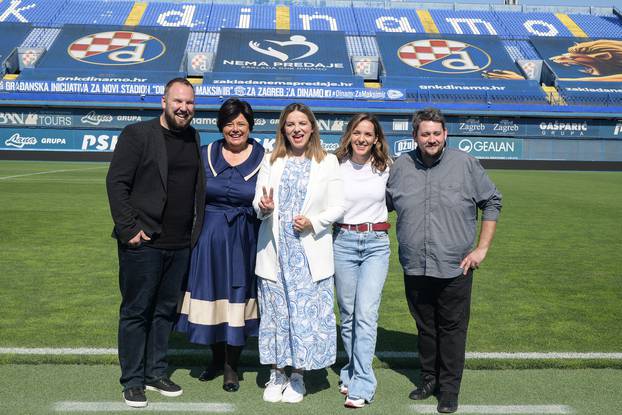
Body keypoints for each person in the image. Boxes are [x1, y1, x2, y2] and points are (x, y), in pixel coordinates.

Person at [386, 108, 502, 414]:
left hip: (455, 266)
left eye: (437, 133)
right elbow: (380, 206)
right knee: (425, 327)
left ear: (446, 134)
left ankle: (449, 390)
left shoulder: (465, 164)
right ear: (415, 136)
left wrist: (482, 249)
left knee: (452, 330)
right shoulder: (400, 167)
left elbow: (491, 201)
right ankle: (429, 379)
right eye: (425, 133)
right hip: (415, 264)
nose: (431, 138)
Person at [106, 78, 205, 408]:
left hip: (179, 244)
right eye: (178, 101)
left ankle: (155, 371)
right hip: (143, 242)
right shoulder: (138, 134)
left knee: (164, 312)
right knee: (136, 312)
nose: (184, 108)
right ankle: (133, 380)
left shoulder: (193, 137)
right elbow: (117, 182)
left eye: (189, 103)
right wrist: (129, 228)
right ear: (164, 101)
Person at [253, 103, 345, 404]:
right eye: (291, 124)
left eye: (302, 123)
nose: (297, 129)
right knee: (277, 315)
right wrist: (264, 209)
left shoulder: (327, 161)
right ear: (283, 129)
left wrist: (314, 222)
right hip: (275, 254)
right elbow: (258, 202)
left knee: (303, 317)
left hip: (309, 255)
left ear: (312, 127)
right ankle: (277, 373)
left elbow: (337, 206)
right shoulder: (272, 159)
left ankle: (298, 376)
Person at [176, 98, 264, 392]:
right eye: (229, 123)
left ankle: (231, 366)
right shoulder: (205, 154)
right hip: (208, 238)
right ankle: (215, 359)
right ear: (221, 126)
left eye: (241, 123)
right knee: (211, 298)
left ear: (250, 126)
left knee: (236, 299)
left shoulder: (266, 158)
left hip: (245, 239)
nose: (235, 129)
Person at [332, 113, 392, 409]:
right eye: (357, 132)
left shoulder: (386, 168)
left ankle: (363, 384)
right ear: (349, 135)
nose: (362, 139)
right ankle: (351, 370)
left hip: (376, 245)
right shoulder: (335, 166)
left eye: (368, 134)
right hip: (342, 242)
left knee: (366, 314)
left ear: (376, 139)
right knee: (348, 315)